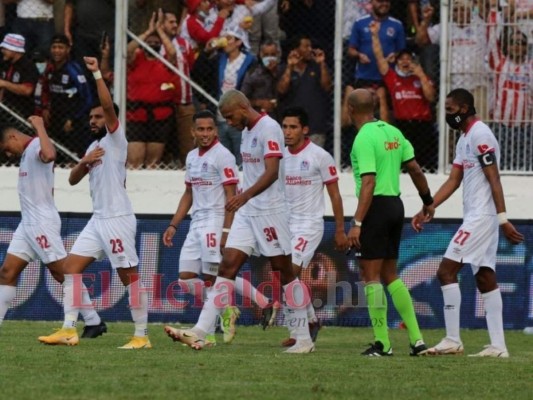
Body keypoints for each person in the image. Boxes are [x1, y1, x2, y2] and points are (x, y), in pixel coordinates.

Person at [164, 89, 315, 353]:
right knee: (227, 267)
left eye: (230, 117)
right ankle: (200, 332)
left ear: (243, 108)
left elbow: (271, 173)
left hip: (270, 211)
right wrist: (244, 202)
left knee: (285, 274)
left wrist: (243, 196)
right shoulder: (245, 133)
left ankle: (303, 337)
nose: (229, 123)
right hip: (248, 212)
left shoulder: (269, 129)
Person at [38, 57, 151, 349]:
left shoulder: (116, 141)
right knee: (69, 269)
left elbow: (110, 106)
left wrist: (97, 73)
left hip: (117, 219)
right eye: (91, 118)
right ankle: (68, 330)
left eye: (98, 118)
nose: (93, 121)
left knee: (129, 276)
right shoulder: (93, 147)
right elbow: (73, 179)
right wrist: (84, 162)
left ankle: (141, 335)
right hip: (98, 220)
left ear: (109, 121)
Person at [412, 88, 524, 357]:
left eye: (450, 110)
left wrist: (502, 219)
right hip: (477, 216)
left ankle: (453, 339)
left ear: (464, 108)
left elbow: (494, 178)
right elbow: (453, 179)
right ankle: (498, 346)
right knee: (485, 277)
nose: (447, 115)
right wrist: (429, 206)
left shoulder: (481, 135)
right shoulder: (464, 139)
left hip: (482, 218)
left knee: (445, 272)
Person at [163, 110, 278, 345]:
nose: (205, 134)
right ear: (192, 131)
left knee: (217, 277)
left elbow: (231, 197)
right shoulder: (192, 156)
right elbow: (188, 193)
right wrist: (174, 224)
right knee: (185, 279)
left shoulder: (223, 156)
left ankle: (212, 330)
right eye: (200, 129)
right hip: (197, 223)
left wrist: (226, 231)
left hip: (216, 222)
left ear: (216, 131)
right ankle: (229, 308)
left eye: (209, 129)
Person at [0, 116, 105, 338]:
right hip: (27, 223)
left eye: (6, 148)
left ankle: (90, 322)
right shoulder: (28, 152)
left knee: (63, 272)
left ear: (12, 136)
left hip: (41, 223)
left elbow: (50, 155)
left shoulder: (38, 144)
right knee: (7, 272)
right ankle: (94, 322)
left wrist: (39, 126)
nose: (8, 154)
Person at [347, 88, 433, 356]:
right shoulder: (394, 133)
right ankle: (417, 340)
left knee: (370, 276)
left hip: (376, 208)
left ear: (350, 110)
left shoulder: (363, 138)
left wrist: (358, 222)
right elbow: (415, 169)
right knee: (390, 275)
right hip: (396, 206)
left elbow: (369, 182)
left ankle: (382, 343)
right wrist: (428, 200)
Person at [280, 106, 349, 347]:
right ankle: (310, 321)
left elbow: (335, 195)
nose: (287, 132)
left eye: (293, 127)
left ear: (305, 129)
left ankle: (301, 335)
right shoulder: (279, 157)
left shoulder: (320, 156)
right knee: (286, 275)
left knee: (290, 272)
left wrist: (340, 230)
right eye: (285, 127)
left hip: (308, 225)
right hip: (284, 225)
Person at [369, 20, 437, 172]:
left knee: (426, 168)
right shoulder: (393, 78)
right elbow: (379, 58)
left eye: (409, 58)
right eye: (401, 59)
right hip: (402, 126)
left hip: (423, 126)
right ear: (397, 62)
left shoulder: (422, 77)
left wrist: (420, 75)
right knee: (404, 168)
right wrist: (374, 35)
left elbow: (431, 97)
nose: (405, 61)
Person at [126, 10, 177, 169]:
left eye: (156, 42)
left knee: (153, 163)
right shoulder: (136, 59)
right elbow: (128, 49)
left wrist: (160, 31)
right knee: (134, 161)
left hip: (160, 117)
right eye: (150, 41)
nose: (153, 44)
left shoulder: (165, 62)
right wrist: (148, 31)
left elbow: (172, 52)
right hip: (136, 115)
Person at [39, 34, 94, 162]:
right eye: (54, 47)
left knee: (72, 157)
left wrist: (73, 120)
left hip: (73, 123)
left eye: (61, 47)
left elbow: (87, 98)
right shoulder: (50, 69)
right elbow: (45, 90)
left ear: (68, 49)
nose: (57, 50)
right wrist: (46, 107)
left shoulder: (73, 70)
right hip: (55, 120)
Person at [277, 34, 332, 148]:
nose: (310, 49)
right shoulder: (284, 68)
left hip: (315, 124)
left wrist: (322, 63)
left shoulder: (316, 67)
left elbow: (327, 87)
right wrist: (289, 67)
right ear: (296, 49)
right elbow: (281, 90)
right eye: (306, 46)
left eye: (310, 46)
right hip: (293, 127)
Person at [0, 33, 40, 118]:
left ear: (15, 50)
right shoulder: (5, 64)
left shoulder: (28, 66)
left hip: (23, 114)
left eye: (5, 48)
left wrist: (5, 83)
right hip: (6, 110)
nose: (2, 51)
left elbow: (27, 90)